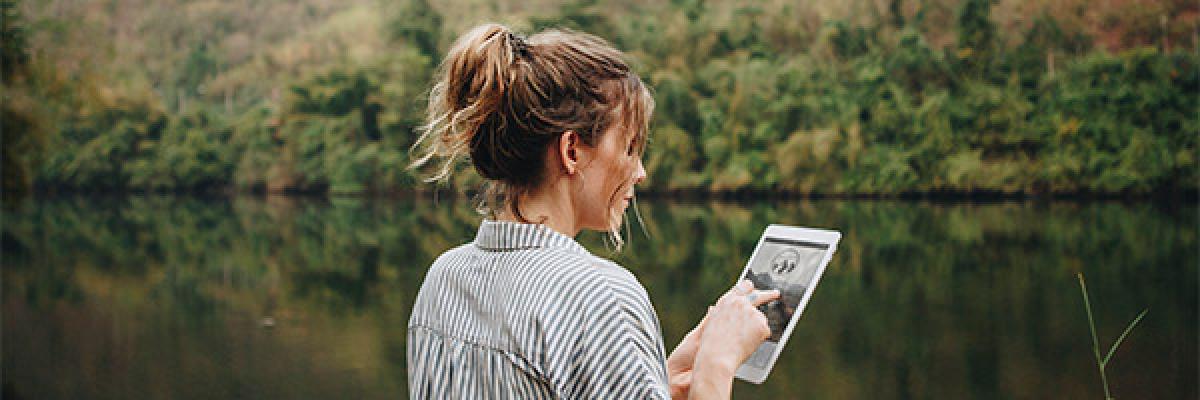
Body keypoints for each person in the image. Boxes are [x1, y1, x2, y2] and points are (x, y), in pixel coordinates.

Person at [406, 23, 780, 399]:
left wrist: (657, 379)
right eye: (630, 148)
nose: (640, 171)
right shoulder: (603, 298)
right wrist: (716, 366)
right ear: (572, 151)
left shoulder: (443, 279)